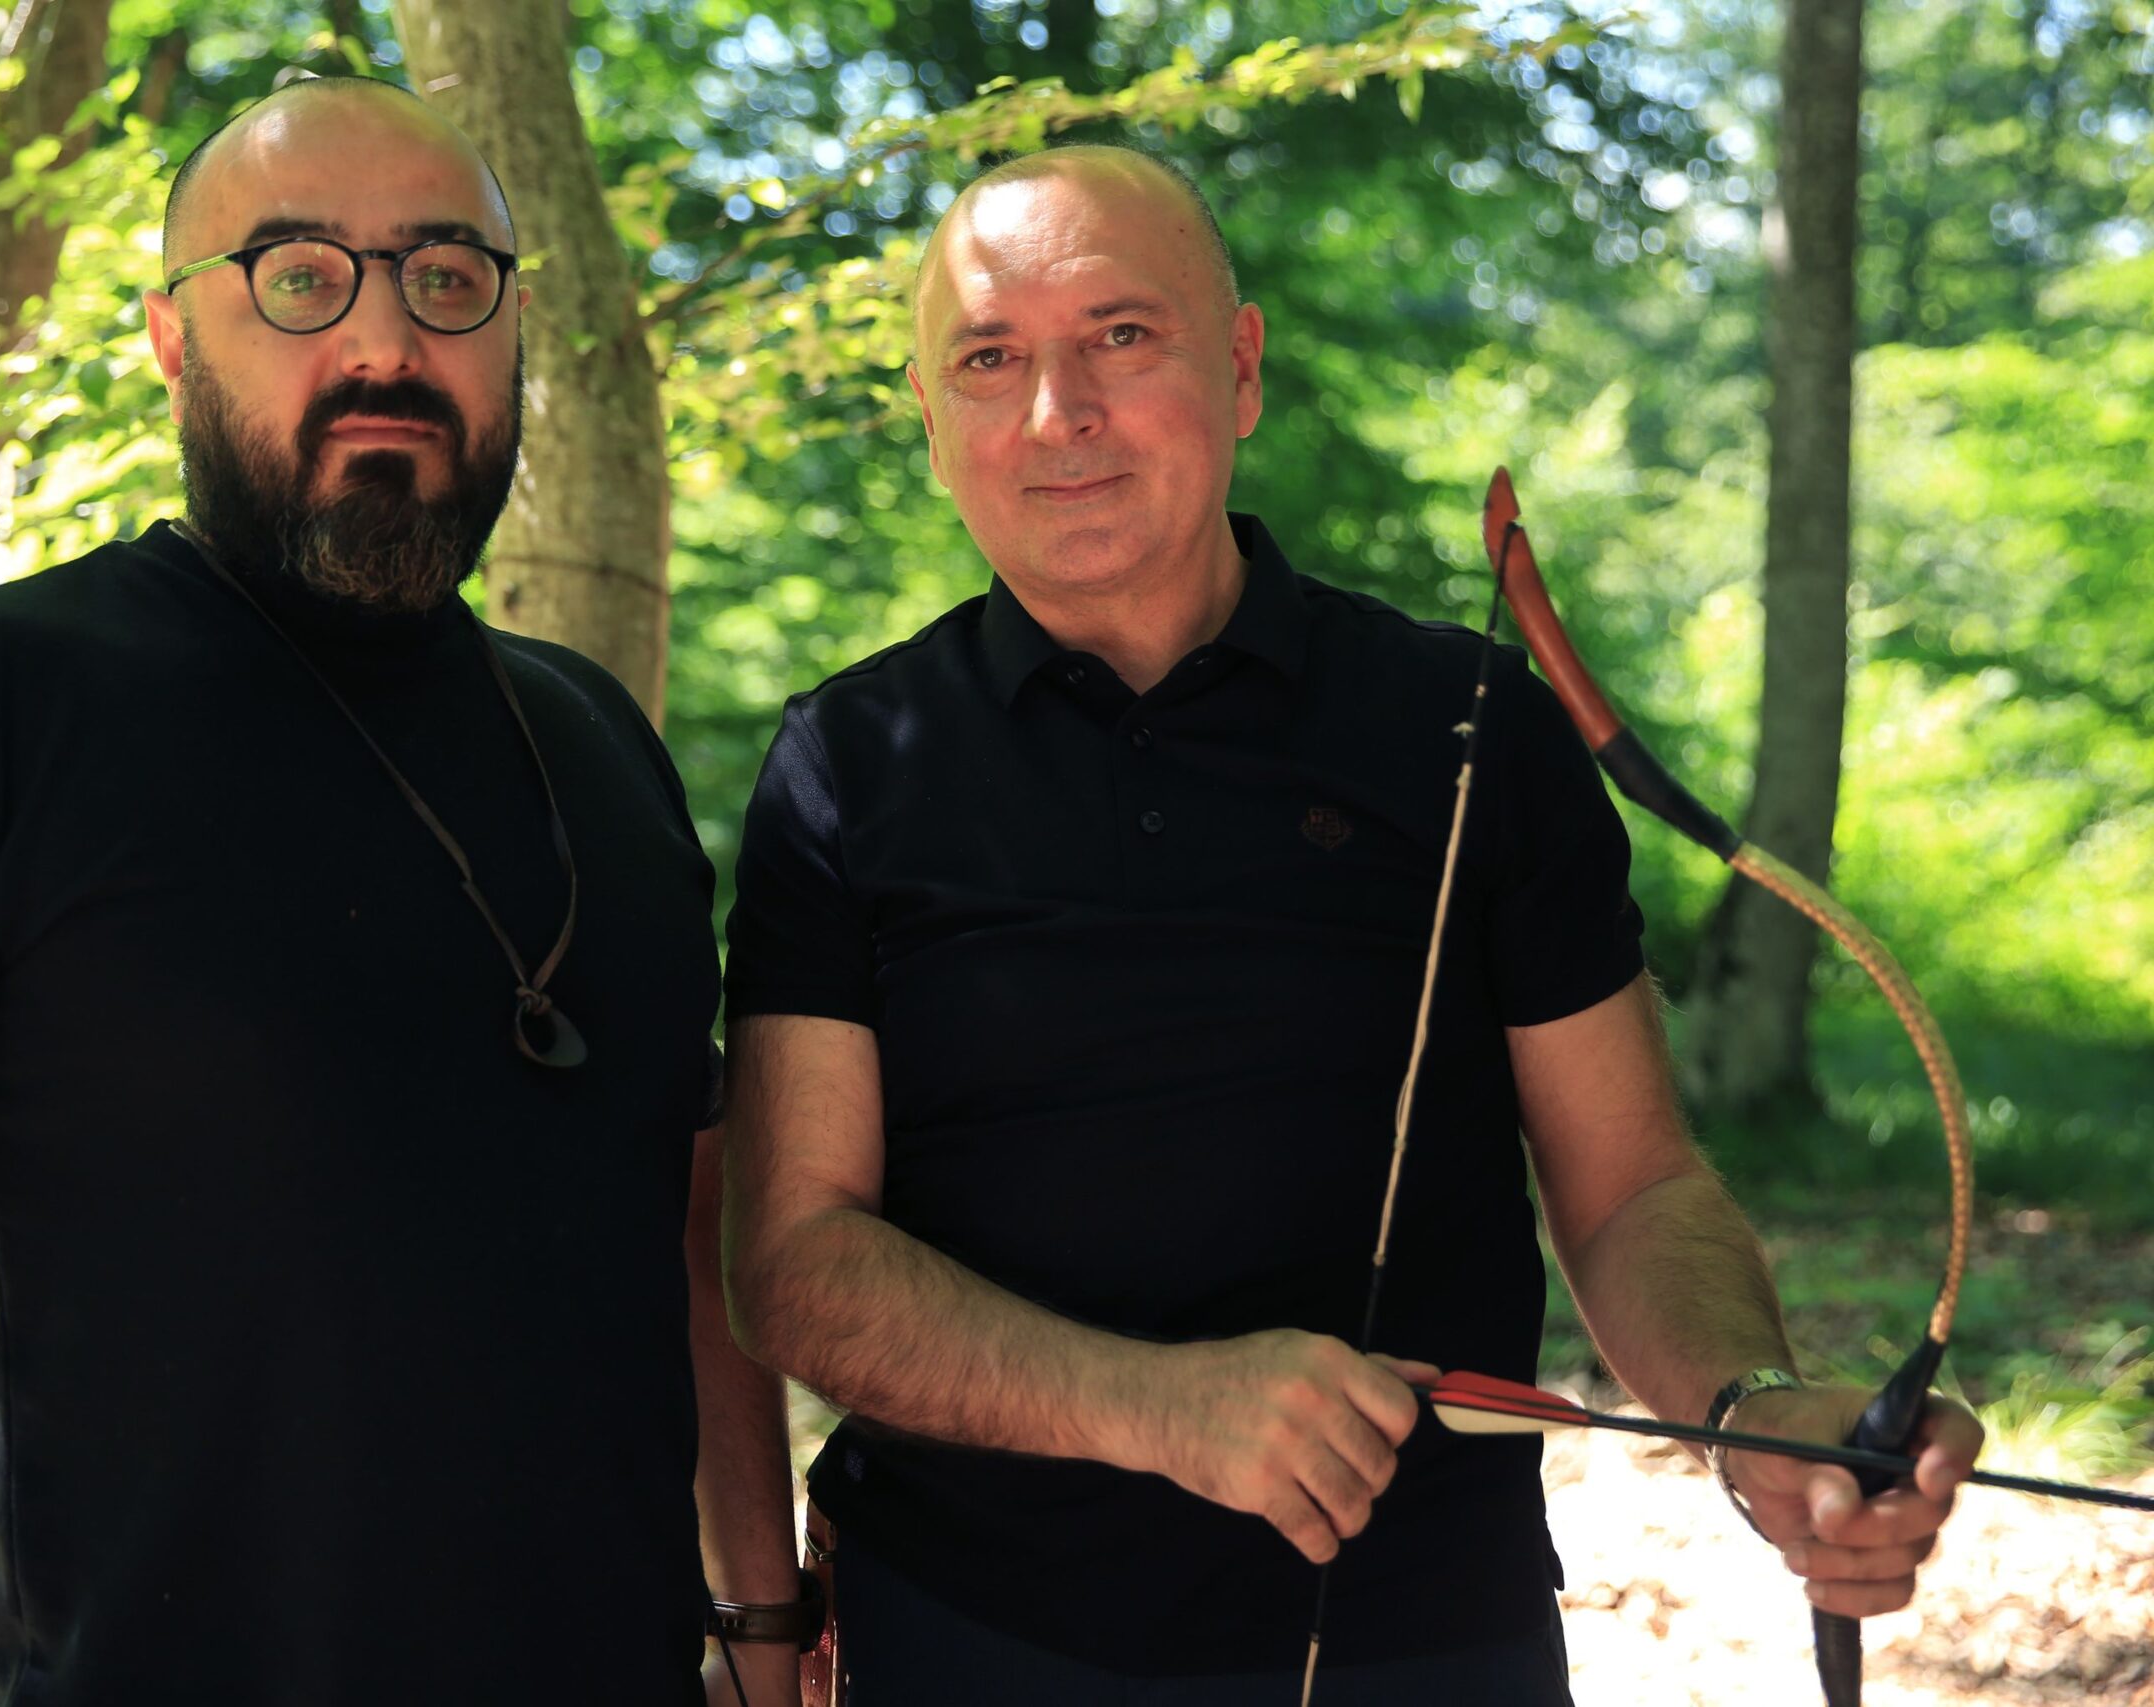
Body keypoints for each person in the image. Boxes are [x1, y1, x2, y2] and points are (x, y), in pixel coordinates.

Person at [717, 144, 1981, 1705]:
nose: (1058, 413)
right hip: (978, 1637)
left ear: (1240, 369)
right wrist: (1156, 1407)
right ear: (930, 418)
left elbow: (1631, 1186)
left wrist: (1754, 1410)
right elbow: (795, 1260)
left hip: (1425, 1639)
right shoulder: (850, 762)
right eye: (990, 359)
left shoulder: (1465, 723)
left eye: (1122, 336)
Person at [0, 76, 804, 1707]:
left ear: (513, 333)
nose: (385, 341)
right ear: (172, 340)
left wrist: (761, 1623)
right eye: (299, 274)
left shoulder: (600, 744)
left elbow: (687, 1220)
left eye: (447, 277)